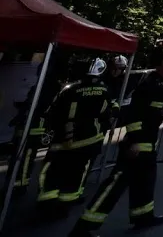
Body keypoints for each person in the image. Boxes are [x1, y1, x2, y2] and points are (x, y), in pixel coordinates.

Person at [69, 54, 163, 235]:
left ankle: (143, 217)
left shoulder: (160, 85)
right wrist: (133, 141)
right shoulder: (148, 85)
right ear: (158, 67)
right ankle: (84, 227)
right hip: (137, 146)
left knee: (145, 184)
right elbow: (134, 115)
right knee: (115, 186)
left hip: (148, 145)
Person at [36, 58, 114, 217]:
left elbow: (54, 110)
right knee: (77, 173)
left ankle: (47, 200)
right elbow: (107, 112)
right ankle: (65, 205)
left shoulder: (70, 89)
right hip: (89, 138)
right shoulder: (104, 89)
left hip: (62, 138)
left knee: (53, 171)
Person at [10, 64, 61, 195]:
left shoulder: (47, 87)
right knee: (21, 158)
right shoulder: (40, 86)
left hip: (35, 127)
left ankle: (20, 186)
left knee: (26, 159)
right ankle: (15, 183)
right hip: (27, 127)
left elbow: (42, 107)